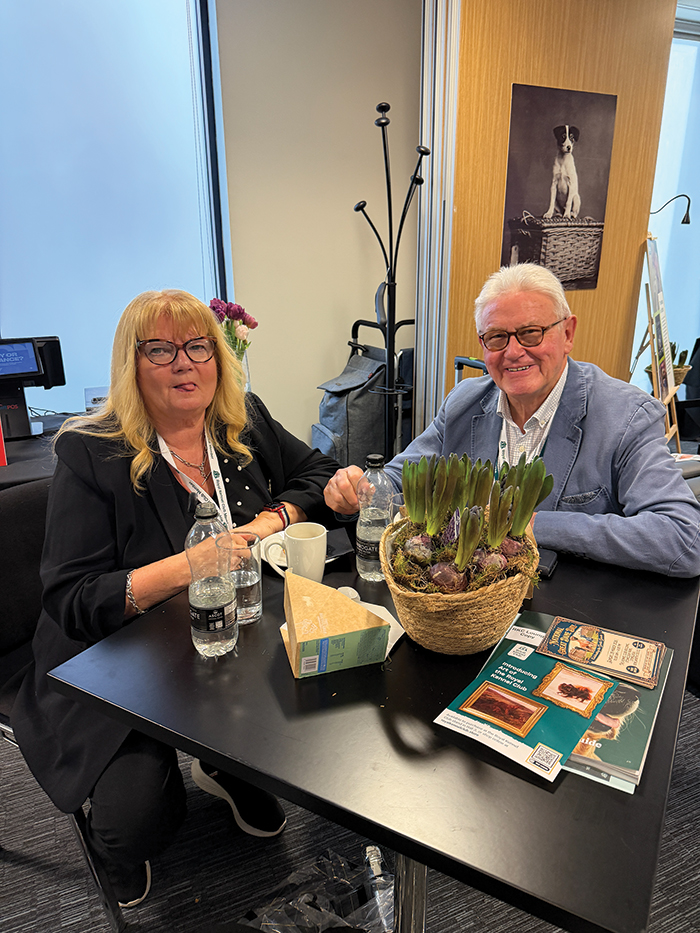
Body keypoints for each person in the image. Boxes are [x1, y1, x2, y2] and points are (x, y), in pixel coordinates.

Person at [12, 289, 340, 908]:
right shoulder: (92, 452)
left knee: (310, 726)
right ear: (132, 365)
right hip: (122, 655)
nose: (184, 363)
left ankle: (219, 763)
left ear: (218, 357)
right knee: (134, 825)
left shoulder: (241, 420)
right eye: (160, 350)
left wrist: (267, 522)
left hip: (235, 632)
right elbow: (73, 599)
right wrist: (190, 565)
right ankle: (139, 818)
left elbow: (317, 474)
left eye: (197, 346)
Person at [325, 263, 700, 578]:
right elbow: (402, 477)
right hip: (468, 603)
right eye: (497, 337)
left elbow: (684, 538)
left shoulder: (626, 416)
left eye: (531, 333)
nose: (514, 352)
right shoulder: (464, 402)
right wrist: (359, 487)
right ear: (482, 344)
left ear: (568, 333)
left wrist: (528, 524)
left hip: (566, 607)